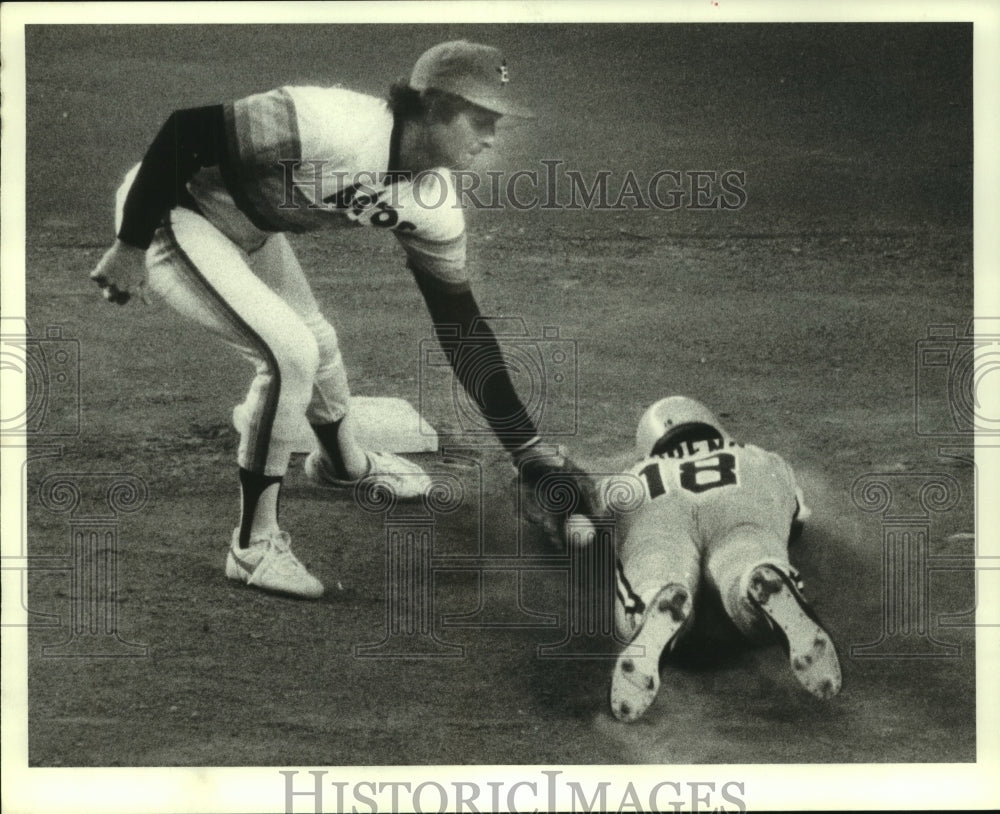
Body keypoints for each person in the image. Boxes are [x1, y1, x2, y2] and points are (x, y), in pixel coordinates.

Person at [89, 40, 594, 600]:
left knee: (319, 343)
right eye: (480, 118)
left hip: (250, 230)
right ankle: (252, 546)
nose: (492, 136)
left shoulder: (433, 206)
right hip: (169, 211)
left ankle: (343, 466)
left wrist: (527, 448)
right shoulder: (328, 123)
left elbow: (461, 328)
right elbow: (185, 131)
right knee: (290, 354)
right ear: (430, 106)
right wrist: (130, 244)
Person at [575, 396, 841, 722]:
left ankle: (655, 600)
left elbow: (583, 514)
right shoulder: (763, 459)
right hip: (739, 493)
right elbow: (796, 516)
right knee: (747, 551)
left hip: (655, 506)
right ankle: (755, 583)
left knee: (652, 563)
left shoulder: (629, 476)